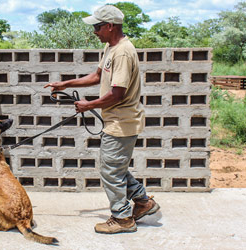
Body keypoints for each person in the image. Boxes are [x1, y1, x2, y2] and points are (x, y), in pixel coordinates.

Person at [44, 5, 160, 234]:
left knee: (110, 171)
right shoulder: (110, 47)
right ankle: (144, 202)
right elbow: (97, 76)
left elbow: (118, 93)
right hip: (115, 120)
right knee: (115, 167)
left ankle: (122, 218)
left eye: (97, 26)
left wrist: (89, 105)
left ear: (110, 26)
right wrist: (65, 84)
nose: (94, 31)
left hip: (122, 122)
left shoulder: (124, 52)